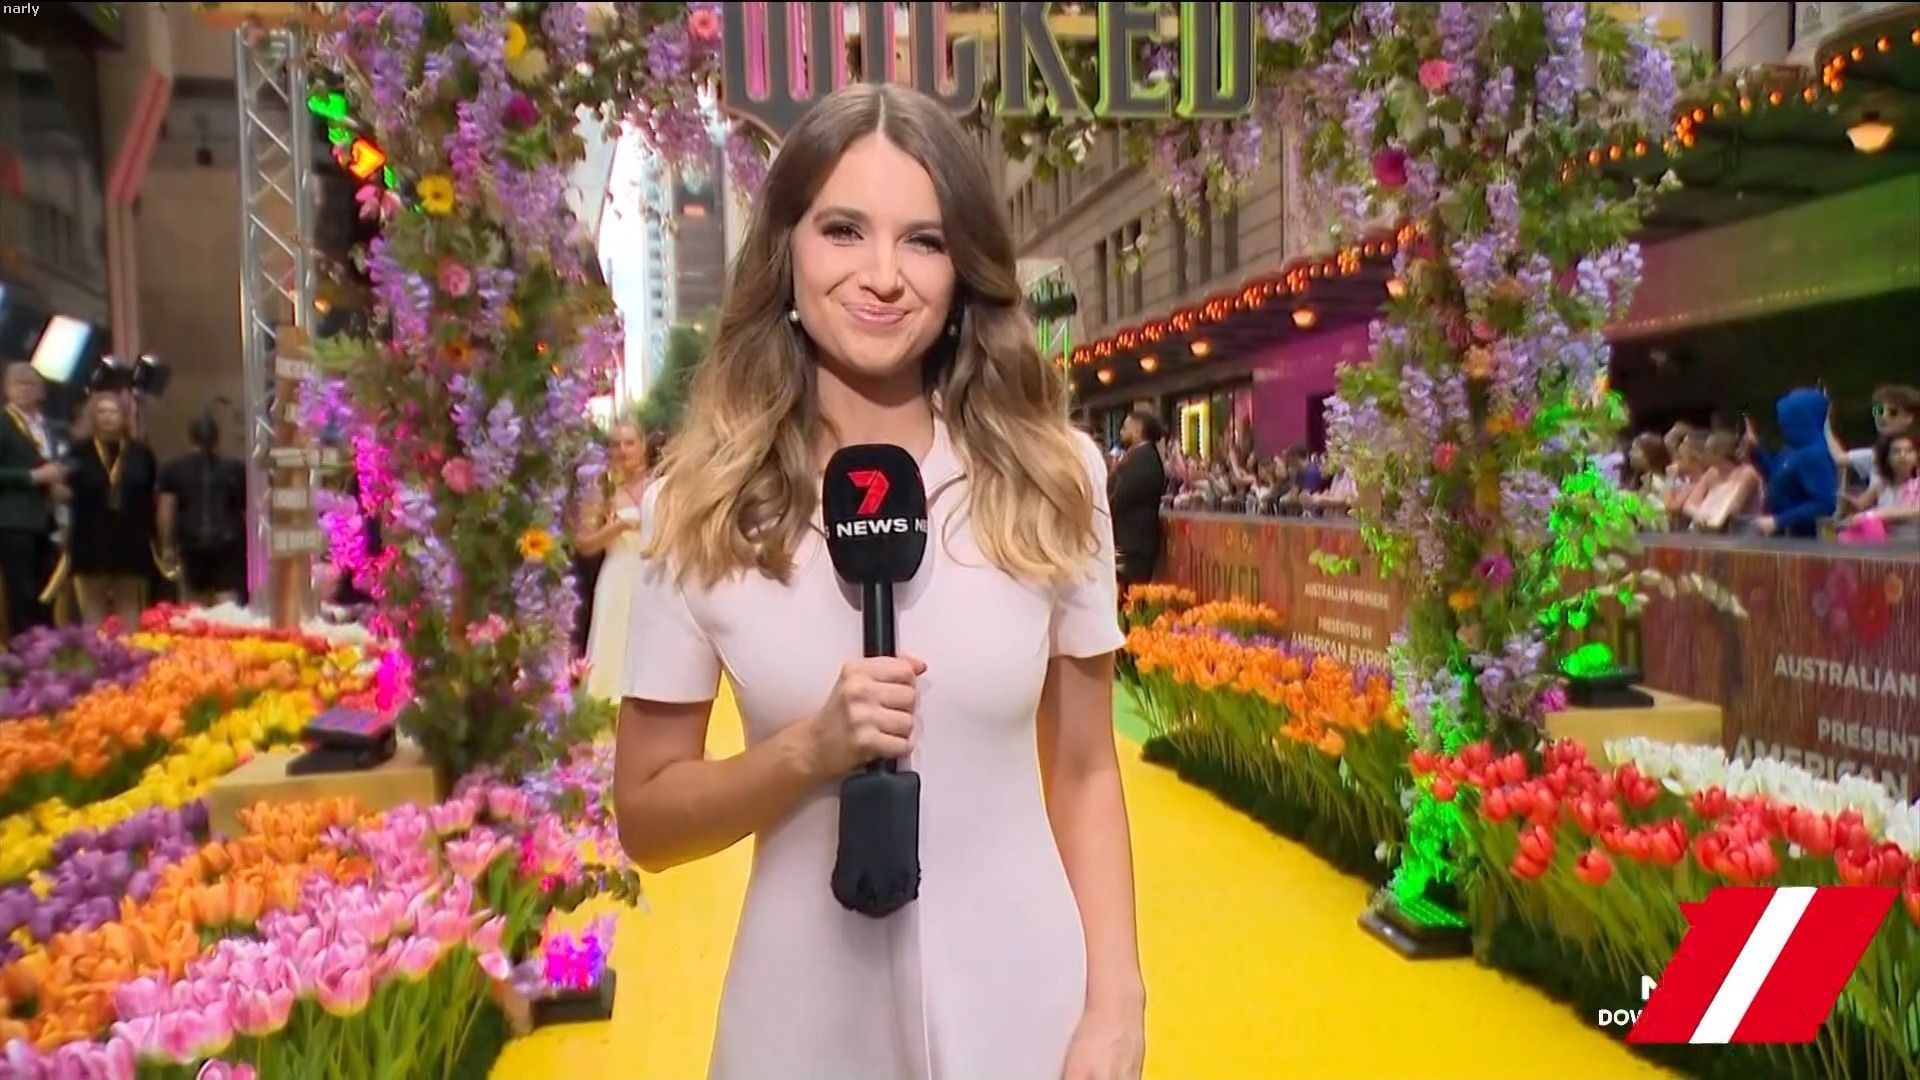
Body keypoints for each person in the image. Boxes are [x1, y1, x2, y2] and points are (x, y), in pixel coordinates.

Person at [613, 84, 1144, 1080]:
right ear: (786, 249)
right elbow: (646, 817)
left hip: (1025, 1019)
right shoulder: (696, 504)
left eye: (924, 241)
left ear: (963, 267)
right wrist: (805, 752)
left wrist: (1117, 1005)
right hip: (798, 1033)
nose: (883, 276)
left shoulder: (1053, 476)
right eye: (844, 230)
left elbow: (1084, 769)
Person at [64, 392, 160, 627]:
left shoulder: (140, 452)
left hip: (131, 536)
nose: (107, 417)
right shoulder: (79, 451)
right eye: (101, 411)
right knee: (92, 603)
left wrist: (155, 539)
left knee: (128, 600)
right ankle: (94, 649)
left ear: (124, 416)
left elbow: (150, 496)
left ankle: (129, 648)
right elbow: (66, 490)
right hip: (90, 535)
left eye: (113, 411)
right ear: (92, 416)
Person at [576, 419, 650, 702]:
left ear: (642, 446)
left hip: (652, 576)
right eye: (616, 445)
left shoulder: (658, 486)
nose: (623, 450)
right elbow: (584, 544)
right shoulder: (602, 491)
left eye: (630, 443)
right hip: (618, 577)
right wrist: (616, 528)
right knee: (612, 656)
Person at [0, 361, 64, 638]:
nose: (25, 389)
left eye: (31, 384)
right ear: (7, 389)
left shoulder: (47, 425)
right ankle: (23, 652)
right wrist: (32, 477)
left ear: (41, 390)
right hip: (14, 519)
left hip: (48, 518)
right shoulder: (3, 423)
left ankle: (45, 648)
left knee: (46, 591)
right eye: (19, 383)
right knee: (22, 592)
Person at [158, 412, 248, 605]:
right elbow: (247, 509)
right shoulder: (235, 469)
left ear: (191, 437)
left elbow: (166, 509)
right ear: (217, 439)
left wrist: (166, 547)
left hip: (191, 540)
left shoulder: (173, 469)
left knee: (195, 602)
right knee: (227, 601)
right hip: (228, 541)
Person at [1747, 387, 1839, 539]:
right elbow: (1776, 477)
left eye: (1788, 419)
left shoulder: (1815, 455)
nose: (1782, 423)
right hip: (1781, 535)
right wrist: (1756, 452)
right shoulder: (1790, 451)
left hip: (1803, 539)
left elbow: (1825, 503)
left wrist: (1780, 520)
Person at [1109, 409, 1167, 603]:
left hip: (1136, 544)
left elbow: (1122, 495)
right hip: (1126, 541)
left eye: (1125, 427)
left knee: (1133, 599)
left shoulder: (1146, 459)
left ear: (1137, 430)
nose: (1121, 431)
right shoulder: (1134, 457)